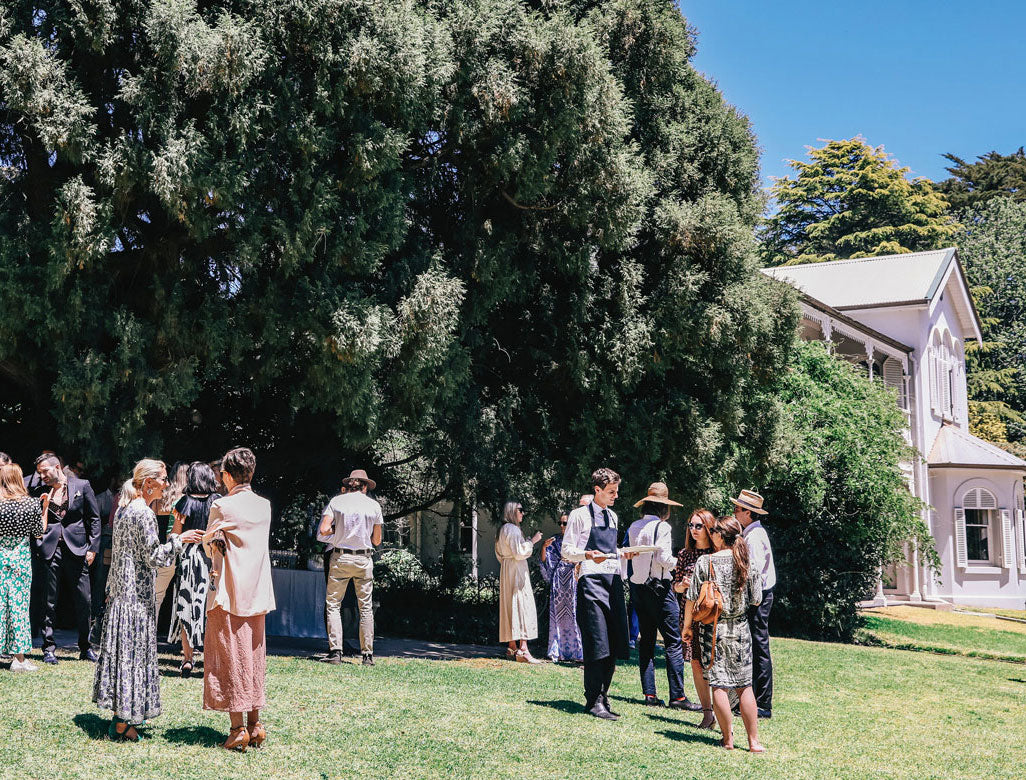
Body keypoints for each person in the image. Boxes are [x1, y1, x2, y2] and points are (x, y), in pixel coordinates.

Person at [92, 459, 203, 740]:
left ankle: (121, 717)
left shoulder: (124, 509)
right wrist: (180, 539)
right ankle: (122, 724)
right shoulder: (144, 514)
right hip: (135, 597)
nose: (167, 485)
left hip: (119, 594)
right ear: (149, 482)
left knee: (123, 657)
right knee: (132, 657)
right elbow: (155, 557)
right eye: (164, 479)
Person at [202, 447, 276, 752]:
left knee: (230, 658)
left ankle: (237, 730)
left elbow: (210, 544)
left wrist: (210, 542)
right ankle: (256, 725)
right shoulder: (264, 506)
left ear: (228, 475)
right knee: (254, 657)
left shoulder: (222, 505)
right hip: (258, 591)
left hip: (229, 591)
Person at [682, 516, 765, 752]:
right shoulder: (747, 563)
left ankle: (728, 740)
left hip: (713, 630)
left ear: (719, 535)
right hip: (740, 630)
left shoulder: (705, 562)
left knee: (719, 685)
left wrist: (687, 627)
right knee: (744, 686)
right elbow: (757, 599)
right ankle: (754, 742)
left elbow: (691, 598)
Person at [562, 468, 637, 720]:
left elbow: (610, 549)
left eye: (616, 491)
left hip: (613, 580)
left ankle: (604, 696)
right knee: (597, 643)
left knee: (614, 641)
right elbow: (567, 551)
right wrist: (587, 555)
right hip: (591, 582)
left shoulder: (613, 516)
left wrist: (623, 553)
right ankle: (593, 700)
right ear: (597, 490)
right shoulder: (579, 515)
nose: (616, 496)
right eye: (611, 492)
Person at [627, 483, 700, 711]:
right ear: (664, 508)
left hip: (638, 588)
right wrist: (687, 565)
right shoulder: (663, 527)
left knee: (646, 641)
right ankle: (678, 697)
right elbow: (664, 559)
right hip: (660, 588)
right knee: (673, 642)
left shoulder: (634, 526)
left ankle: (650, 693)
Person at [33, 452, 100, 663]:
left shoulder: (82, 485)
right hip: (50, 549)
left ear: (57, 467)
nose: (42, 476)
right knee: (48, 601)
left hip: (78, 548)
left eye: (45, 471)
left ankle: (85, 646)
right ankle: (48, 648)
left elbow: (94, 518)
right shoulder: (39, 491)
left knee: (84, 600)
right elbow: (36, 523)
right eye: (39, 473)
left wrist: (93, 547)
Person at [318, 469, 382, 666]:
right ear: (364, 487)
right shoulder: (374, 506)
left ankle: (336, 651)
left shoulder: (337, 502)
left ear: (350, 486)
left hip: (341, 556)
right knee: (365, 607)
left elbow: (323, 530)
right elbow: (377, 540)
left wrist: (339, 531)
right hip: (364, 559)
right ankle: (367, 655)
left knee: (334, 605)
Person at [167, 462, 221, 676]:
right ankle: (211, 658)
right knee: (211, 609)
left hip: (189, 558)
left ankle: (187, 659)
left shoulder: (182, 503)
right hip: (212, 557)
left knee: (186, 606)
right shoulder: (218, 502)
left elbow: (174, 533)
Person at [0, 463, 49, 671]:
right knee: (18, 607)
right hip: (20, 558)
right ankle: (19, 659)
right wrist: (44, 508)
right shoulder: (29, 504)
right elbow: (39, 532)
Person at [672, 508, 717, 728]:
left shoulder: (717, 554)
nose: (694, 530)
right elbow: (676, 586)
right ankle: (707, 713)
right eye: (691, 525)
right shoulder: (685, 554)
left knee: (715, 665)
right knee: (696, 664)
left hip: (713, 616)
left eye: (699, 526)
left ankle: (721, 711)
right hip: (690, 614)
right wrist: (681, 586)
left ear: (709, 527)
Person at [732, 489, 775, 719]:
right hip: (757, 596)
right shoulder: (752, 533)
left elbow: (754, 573)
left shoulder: (754, 536)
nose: (734, 512)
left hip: (759, 597)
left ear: (748, 512)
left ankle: (763, 703)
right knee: (755, 647)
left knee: (759, 648)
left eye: (737, 509)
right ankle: (755, 700)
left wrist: (749, 599)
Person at [496, 501, 542, 663]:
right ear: (511, 512)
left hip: (507, 569)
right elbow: (519, 552)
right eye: (520, 510)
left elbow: (500, 553)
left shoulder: (502, 530)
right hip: (516, 570)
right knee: (522, 604)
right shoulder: (513, 529)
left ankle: (512, 646)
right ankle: (523, 649)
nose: (523, 513)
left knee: (510, 605)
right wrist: (533, 541)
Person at [539, 511, 583, 662]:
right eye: (561, 523)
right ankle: (558, 651)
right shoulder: (555, 540)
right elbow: (545, 562)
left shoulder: (578, 539)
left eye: (565, 523)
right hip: (559, 581)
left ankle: (578, 652)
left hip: (574, 579)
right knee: (558, 616)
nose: (562, 526)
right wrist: (544, 548)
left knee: (575, 614)